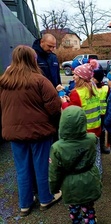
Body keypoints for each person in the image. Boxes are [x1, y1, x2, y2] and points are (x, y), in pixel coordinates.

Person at [0, 45, 62, 216]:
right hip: (39, 132)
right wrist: (54, 124)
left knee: (22, 169)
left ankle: (25, 204)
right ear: (33, 60)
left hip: (14, 134)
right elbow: (55, 107)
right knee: (41, 166)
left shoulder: (3, 81)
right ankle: (45, 198)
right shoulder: (40, 80)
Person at [49, 105, 102, 223]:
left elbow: (54, 171)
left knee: (74, 209)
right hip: (89, 179)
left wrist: (54, 188)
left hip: (70, 184)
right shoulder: (92, 138)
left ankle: (77, 221)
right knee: (89, 208)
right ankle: (91, 221)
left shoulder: (57, 147)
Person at [61, 59, 103, 175]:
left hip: (83, 132)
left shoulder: (76, 93)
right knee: (95, 155)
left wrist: (64, 102)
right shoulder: (93, 87)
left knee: (84, 158)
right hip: (96, 129)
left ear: (81, 77)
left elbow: (71, 113)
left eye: (75, 74)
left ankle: (86, 179)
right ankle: (97, 175)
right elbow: (84, 104)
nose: (73, 76)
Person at [92, 67, 111, 154]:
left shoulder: (106, 88)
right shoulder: (90, 87)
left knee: (102, 130)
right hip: (92, 113)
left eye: (93, 78)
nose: (91, 79)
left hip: (103, 114)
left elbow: (109, 101)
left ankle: (102, 146)